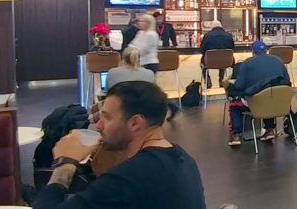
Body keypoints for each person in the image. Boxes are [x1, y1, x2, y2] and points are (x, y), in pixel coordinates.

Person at [33, 81, 206, 209]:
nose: (99, 125)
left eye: (107, 117)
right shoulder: (185, 159)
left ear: (135, 123)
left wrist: (65, 165)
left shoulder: (128, 177)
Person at [226, 40, 290, 146]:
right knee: (268, 96)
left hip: (256, 104)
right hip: (278, 103)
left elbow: (239, 85)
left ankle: (236, 135)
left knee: (235, 104)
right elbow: (287, 81)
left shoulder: (247, 63)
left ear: (252, 51)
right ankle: (269, 129)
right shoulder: (278, 60)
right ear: (266, 50)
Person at [199, 20, 235, 88]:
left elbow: (201, 50)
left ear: (212, 27)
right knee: (223, 60)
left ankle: (208, 83)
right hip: (226, 62)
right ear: (221, 26)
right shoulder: (228, 35)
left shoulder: (207, 36)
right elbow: (233, 49)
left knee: (202, 64)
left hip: (209, 62)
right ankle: (221, 81)